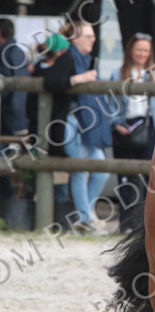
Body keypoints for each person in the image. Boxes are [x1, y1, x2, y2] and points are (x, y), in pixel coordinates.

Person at [43, 22, 111, 235]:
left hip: (87, 126)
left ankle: (84, 216)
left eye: (93, 36)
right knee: (80, 169)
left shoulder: (85, 59)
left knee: (102, 170)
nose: (93, 40)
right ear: (76, 39)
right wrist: (79, 79)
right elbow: (50, 82)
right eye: (89, 36)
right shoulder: (67, 58)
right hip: (70, 123)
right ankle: (84, 220)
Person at [110, 33, 155, 230]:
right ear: (131, 51)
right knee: (126, 177)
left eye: (146, 50)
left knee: (147, 177)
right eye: (139, 49)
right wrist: (115, 124)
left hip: (149, 127)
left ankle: (143, 224)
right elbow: (110, 103)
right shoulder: (118, 74)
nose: (142, 53)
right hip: (124, 127)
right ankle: (126, 222)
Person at [0, 18, 30, 199]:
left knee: (4, 164)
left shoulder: (4, 52)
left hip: (7, 119)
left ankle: (5, 203)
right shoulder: (18, 51)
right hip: (20, 118)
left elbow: (5, 88)